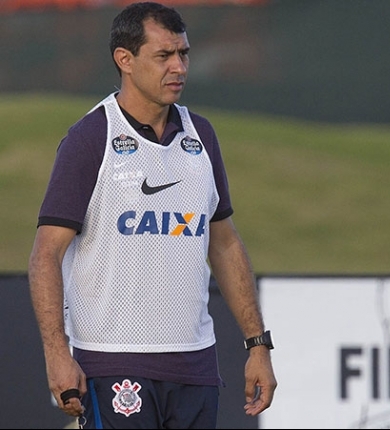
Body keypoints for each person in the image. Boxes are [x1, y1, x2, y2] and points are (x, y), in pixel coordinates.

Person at [27, 2, 277, 428]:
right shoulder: (91, 138)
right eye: (164, 55)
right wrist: (56, 354)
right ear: (125, 59)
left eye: (184, 54)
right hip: (112, 365)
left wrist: (258, 345)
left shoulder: (202, 136)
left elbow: (224, 243)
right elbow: (45, 254)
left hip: (196, 367)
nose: (179, 67)